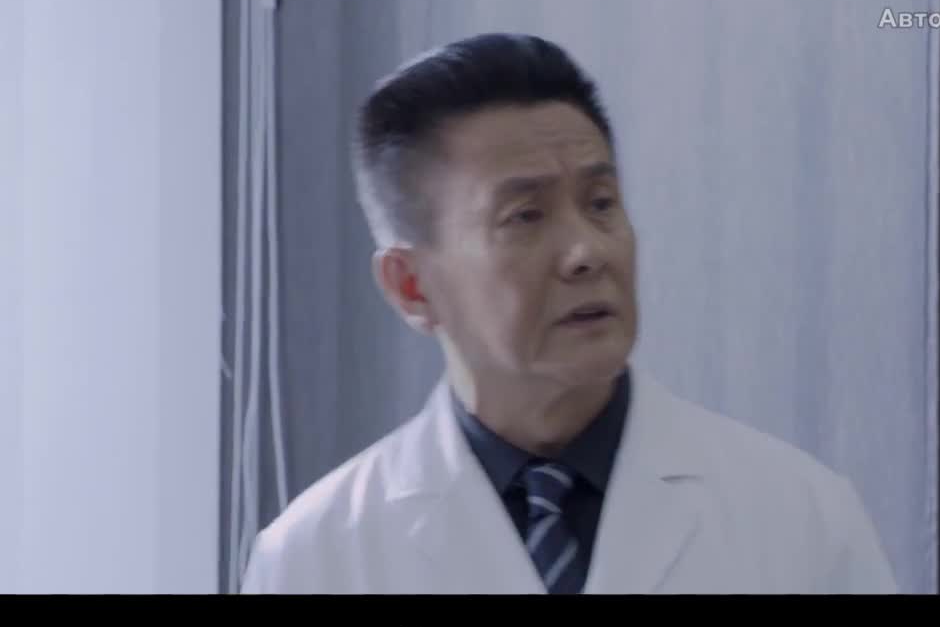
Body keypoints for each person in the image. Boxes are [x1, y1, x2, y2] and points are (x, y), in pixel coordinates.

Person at [239, 32, 897, 595]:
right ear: (412, 286)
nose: (586, 252)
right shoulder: (316, 558)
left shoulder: (799, 520)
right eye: (525, 216)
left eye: (601, 203)